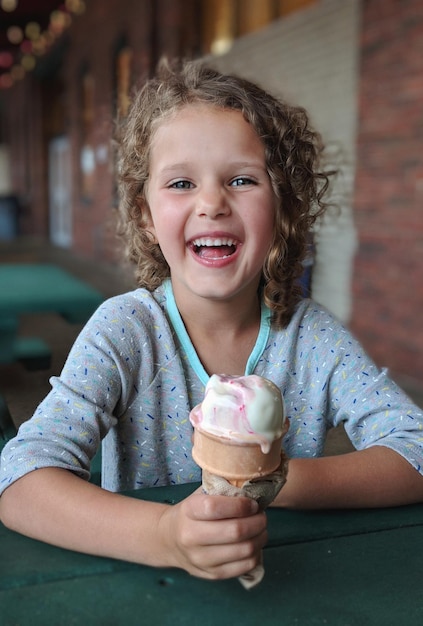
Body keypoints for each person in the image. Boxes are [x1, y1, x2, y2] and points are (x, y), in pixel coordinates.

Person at [1, 59, 423, 582]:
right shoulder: (126, 332)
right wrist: (164, 536)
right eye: (180, 183)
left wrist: (273, 482)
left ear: (284, 207)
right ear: (145, 217)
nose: (211, 203)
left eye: (242, 179)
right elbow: (19, 480)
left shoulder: (311, 339)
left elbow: (415, 447)